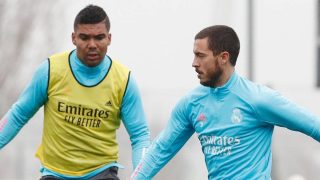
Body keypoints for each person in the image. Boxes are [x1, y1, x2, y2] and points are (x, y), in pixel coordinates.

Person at [130, 25, 320, 179]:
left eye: (201, 55)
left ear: (223, 58)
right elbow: (160, 150)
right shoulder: (191, 104)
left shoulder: (258, 99)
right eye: (194, 55)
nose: (194, 63)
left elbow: (313, 125)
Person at [0, 4, 150, 180]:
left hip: (101, 173)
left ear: (109, 38)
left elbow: (140, 136)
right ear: (73, 38)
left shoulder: (123, 81)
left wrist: (140, 177)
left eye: (99, 37)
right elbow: (18, 115)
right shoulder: (50, 71)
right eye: (84, 37)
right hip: (55, 174)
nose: (92, 45)